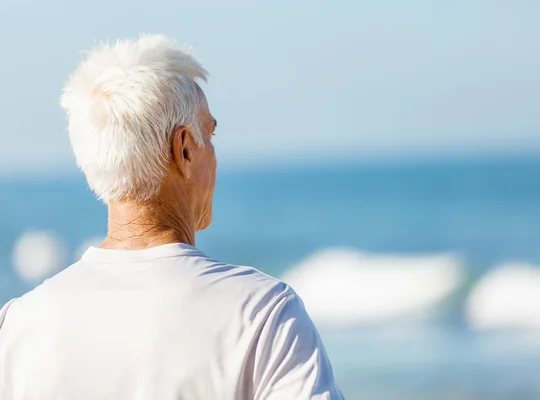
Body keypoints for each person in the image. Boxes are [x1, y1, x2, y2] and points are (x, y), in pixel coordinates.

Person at [0, 34, 344, 400]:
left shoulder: (17, 327)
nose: (214, 154)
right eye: (209, 135)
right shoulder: (264, 314)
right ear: (183, 150)